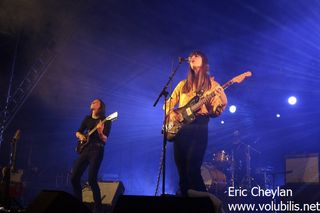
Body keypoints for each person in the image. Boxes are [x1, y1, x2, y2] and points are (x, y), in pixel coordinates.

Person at [165, 51, 228, 197]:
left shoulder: (213, 85)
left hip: (199, 127)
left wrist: (221, 99)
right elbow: (168, 104)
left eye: (196, 55)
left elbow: (216, 112)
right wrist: (172, 113)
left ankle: (206, 205)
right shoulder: (182, 85)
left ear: (204, 61)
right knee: (181, 171)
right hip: (180, 129)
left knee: (193, 169)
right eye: (191, 56)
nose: (192, 57)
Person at [71, 99, 111, 213]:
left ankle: (98, 208)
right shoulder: (87, 119)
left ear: (100, 106)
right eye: (92, 101)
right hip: (85, 149)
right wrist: (81, 136)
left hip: (97, 150)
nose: (93, 102)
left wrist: (99, 132)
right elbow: (78, 131)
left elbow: (105, 139)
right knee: (74, 178)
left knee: (91, 179)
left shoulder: (105, 120)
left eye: (96, 101)